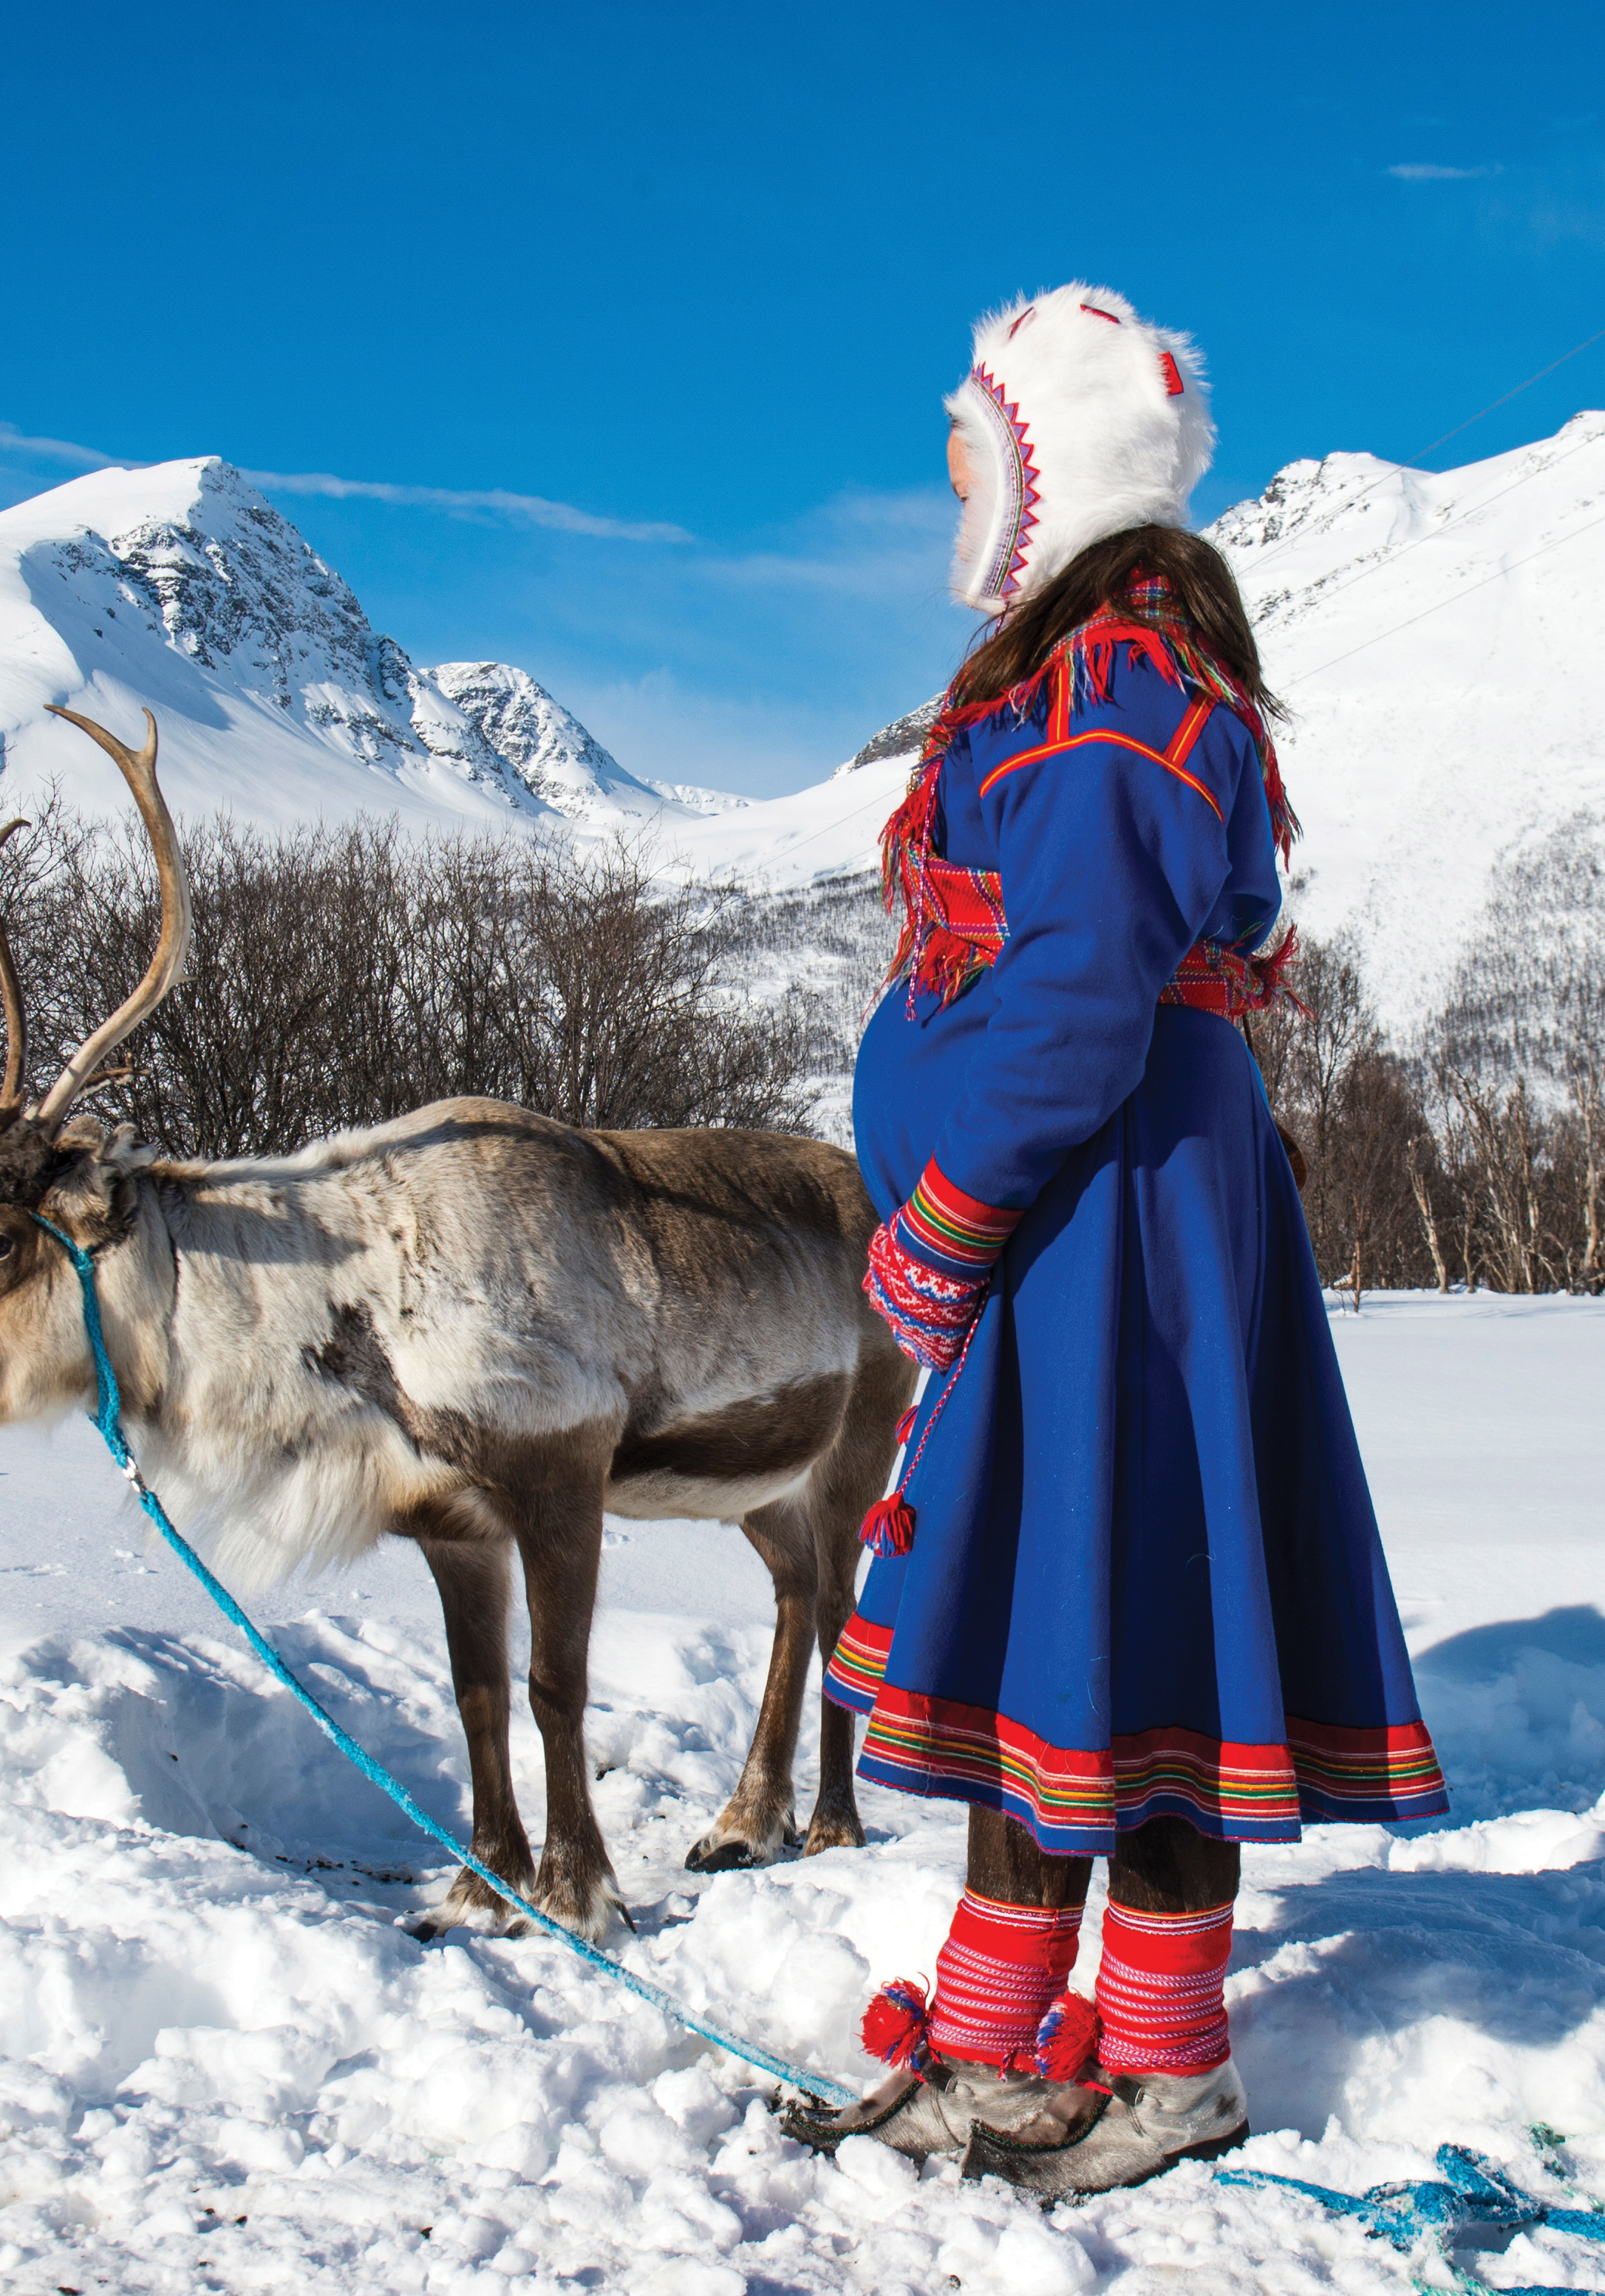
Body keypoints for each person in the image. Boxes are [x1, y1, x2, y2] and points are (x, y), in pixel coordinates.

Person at [782, 285, 1447, 2193]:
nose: (949, 500)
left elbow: (1075, 998)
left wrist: (944, 1218)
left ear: (1049, 471)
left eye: (970, 458)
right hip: (1088, 1227)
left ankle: (1163, 2066)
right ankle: (994, 2041)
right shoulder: (1086, 680)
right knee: (1046, 1632)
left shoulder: (1115, 698)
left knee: (1136, 1623)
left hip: (1106, 1233)